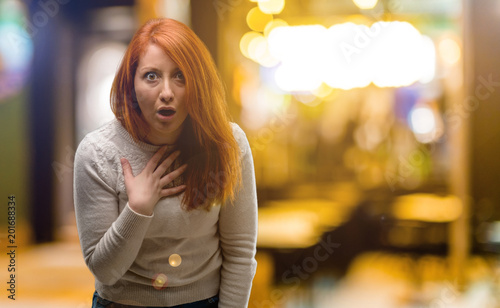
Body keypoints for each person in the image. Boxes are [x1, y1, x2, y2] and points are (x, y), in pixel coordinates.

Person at [73, 18, 258, 308]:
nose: (167, 92)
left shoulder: (226, 143)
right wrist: (138, 209)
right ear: (130, 82)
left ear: (198, 82)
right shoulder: (97, 152)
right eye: (151, 76)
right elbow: (105, 270)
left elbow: (240, 253)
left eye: (180, 76)